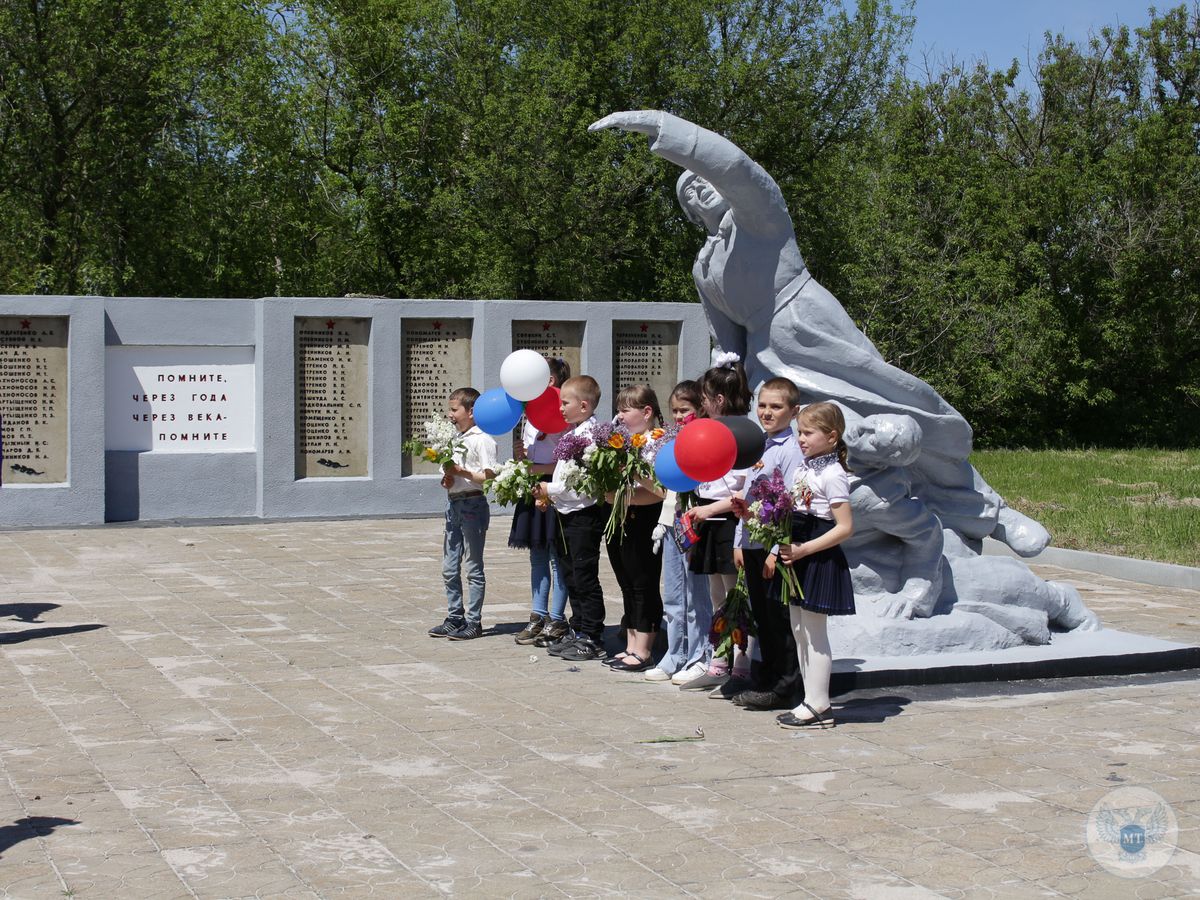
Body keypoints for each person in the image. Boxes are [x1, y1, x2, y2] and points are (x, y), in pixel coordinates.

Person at [725, 377, 805, 710]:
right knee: (762, 616)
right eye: (762, 405)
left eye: (776, 407)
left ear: (794, 411)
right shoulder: (759, 444)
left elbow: (790, 504)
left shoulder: (791, 450)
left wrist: (775, 551)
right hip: (754, 543)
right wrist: (739, 541)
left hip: (774, 548)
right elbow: (747, 497)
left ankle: (785, 686)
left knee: (779, 619)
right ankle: (767, 678)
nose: (767, 413)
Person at [677, 354, 754, 691]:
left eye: (705, 398)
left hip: (729, 520)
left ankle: (741, 662)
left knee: (737, 594)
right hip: (709, 515)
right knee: (717, 594)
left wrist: (709, 510)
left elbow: (745, 488)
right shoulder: (710, 430)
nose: (703, 404)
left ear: (719, 400)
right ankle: (719, 659)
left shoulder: (743, 436)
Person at [777, 402, 855, 728]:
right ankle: (809, 698)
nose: (801, 438)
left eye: (808, 432)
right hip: (798, 550)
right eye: (799, 432)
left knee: (814, 631)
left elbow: (844, 527)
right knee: (798, 629)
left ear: (832, 436)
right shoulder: (805, 469)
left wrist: (805, 548)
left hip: (816, 553)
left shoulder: (834, 474)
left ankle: (819, 703)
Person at [533, 375, 607, 661]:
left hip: (584, 517)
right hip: (565, 512)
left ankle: (593, 635)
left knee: (584, 575)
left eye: (565, 403)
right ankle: (577, 629)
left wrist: (548, 488)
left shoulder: (590, 437)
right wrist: (549, 496)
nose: (560, 409)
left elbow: (580, 484)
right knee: (570, 574)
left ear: (585, 405)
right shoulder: (572, 433)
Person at [645, 381, 713, 684]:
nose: (678, 416)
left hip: (694, 523)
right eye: (674, 410)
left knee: (695, 595)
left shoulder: (706, 439)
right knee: (673, 594)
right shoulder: (671, 440)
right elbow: (665, 487)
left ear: (700, 409)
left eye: (684, 410)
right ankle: (674, 653)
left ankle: (699, 654)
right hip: (671, 520)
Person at [603, 384, 667, 673]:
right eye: (618, 409)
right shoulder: (624, 442)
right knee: (626, 582)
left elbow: (659, 490)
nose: (620, 416)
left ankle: (644, 649)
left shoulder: (658, 443)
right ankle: (630, 643)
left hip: (645, 519)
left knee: (643, 582)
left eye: (625, 410)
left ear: (647, 412)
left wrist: (622, 495)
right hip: (621, 518)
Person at [427, 387, 498, 641]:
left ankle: (474, 620)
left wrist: (462, 473)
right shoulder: (455, 439)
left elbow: (489, 477)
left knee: (473, 567)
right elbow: (452, 476)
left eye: (455, 409)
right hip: (454, 504)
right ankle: (454, 615)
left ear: (471, 411)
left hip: (473, 505)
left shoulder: (483, 439)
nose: (450, 415)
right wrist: (449, 479)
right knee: (449, 566)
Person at [510, 357, 572, 646]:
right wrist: (520, 458)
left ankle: (558, 619)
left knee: (557, 559)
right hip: (532, 492)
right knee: (537, 556)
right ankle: (538, 615)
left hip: (555, 494)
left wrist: (534, 469)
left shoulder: (563, 416)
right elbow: (531, 456)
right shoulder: (529, 413)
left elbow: (565, 464)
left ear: (551, 382)